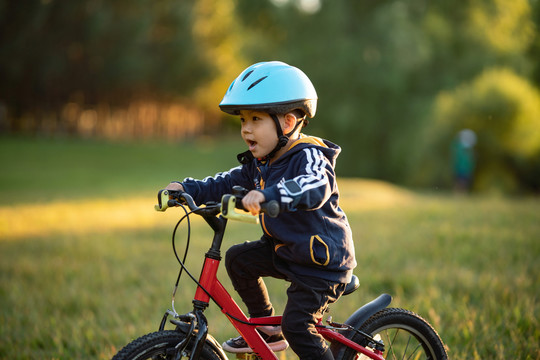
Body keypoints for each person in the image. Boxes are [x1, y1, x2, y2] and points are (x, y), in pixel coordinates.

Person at [165, 61, 356, 359]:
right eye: (243, 120)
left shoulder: (310, 156)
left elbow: (314, 185)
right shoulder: (260, 163)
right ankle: (267, 331)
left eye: (255, 119)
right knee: (239, 259)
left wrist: (270, 194)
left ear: (289, 123)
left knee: (297, 326)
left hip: (321, 263)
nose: (246, 129)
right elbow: (225, 183)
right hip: (286, 250)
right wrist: (187, 189)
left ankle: (284, 333)